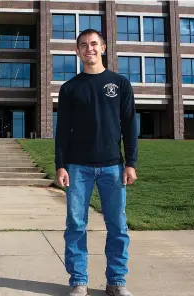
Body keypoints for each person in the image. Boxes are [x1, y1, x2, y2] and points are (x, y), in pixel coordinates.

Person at [54, 28, 138, 296]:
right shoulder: (69, 88)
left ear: (103, 48)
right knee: (76, 225)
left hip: (113, 166)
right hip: (78, 168)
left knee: (117, 225)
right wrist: (61, 165)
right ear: (77, 51)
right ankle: (78, 281)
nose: (88, 48)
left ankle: (117, 282)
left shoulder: (120, 83)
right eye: (83, 45)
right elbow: (62, 130)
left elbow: (129, 125)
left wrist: (131, 162)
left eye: (93, 44)